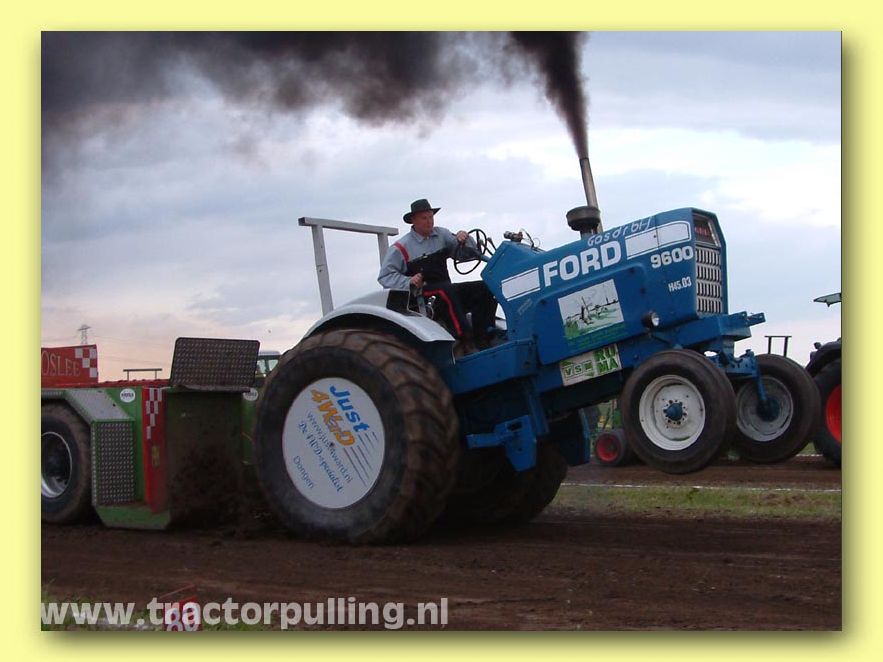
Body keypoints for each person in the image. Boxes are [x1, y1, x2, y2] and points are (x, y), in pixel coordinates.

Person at [378, 198, 498, 349]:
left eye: (431, 217)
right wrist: (409, 281)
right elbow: (385, 276)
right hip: (421, 296)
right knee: (444, 290)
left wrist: (464, 239)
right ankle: (465, 337)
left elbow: (465, 254)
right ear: (413, 220)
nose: (429, 221)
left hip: (446, 292)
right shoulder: (401, 247)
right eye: (424, 218)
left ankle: (484, 335)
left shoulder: (442, 235)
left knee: (485, 287)